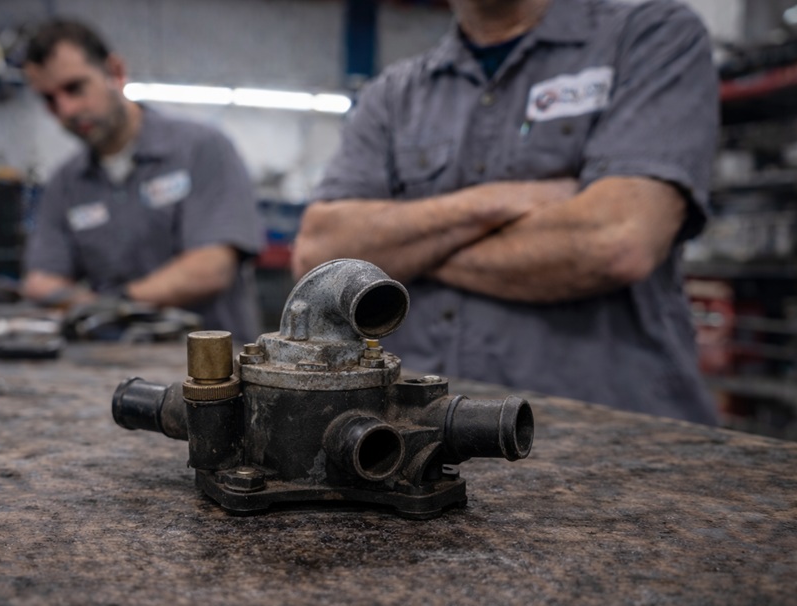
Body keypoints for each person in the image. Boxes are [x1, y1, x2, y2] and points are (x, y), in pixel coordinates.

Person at [292, 0, 720, 424]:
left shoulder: (648, 36)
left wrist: (410, 249)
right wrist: (498, 202)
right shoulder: (394, 94)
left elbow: (617, 241)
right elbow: (319, 257)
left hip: (608, 432)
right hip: (424, 429)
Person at [21, 19, 264, 342]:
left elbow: (211, 268)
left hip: (212, 374)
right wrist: (93, 306)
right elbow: (40, 280)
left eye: (75, 88)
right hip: (108, 366)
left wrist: (112, 306)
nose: (66, 110)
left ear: (116, 72)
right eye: (49, 100)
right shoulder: (65, 184)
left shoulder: (202, 149)